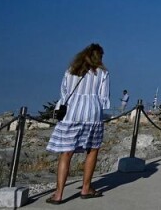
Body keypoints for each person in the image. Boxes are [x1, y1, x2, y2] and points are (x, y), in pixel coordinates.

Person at [45, 43, 111, 204]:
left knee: (66, 153)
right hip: (92, 115)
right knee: (92, 150)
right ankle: (86, 188)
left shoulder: (71, 71)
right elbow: (104, 98)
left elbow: (64, 93)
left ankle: (59, 194)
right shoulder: (102, 73)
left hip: (71, 114)